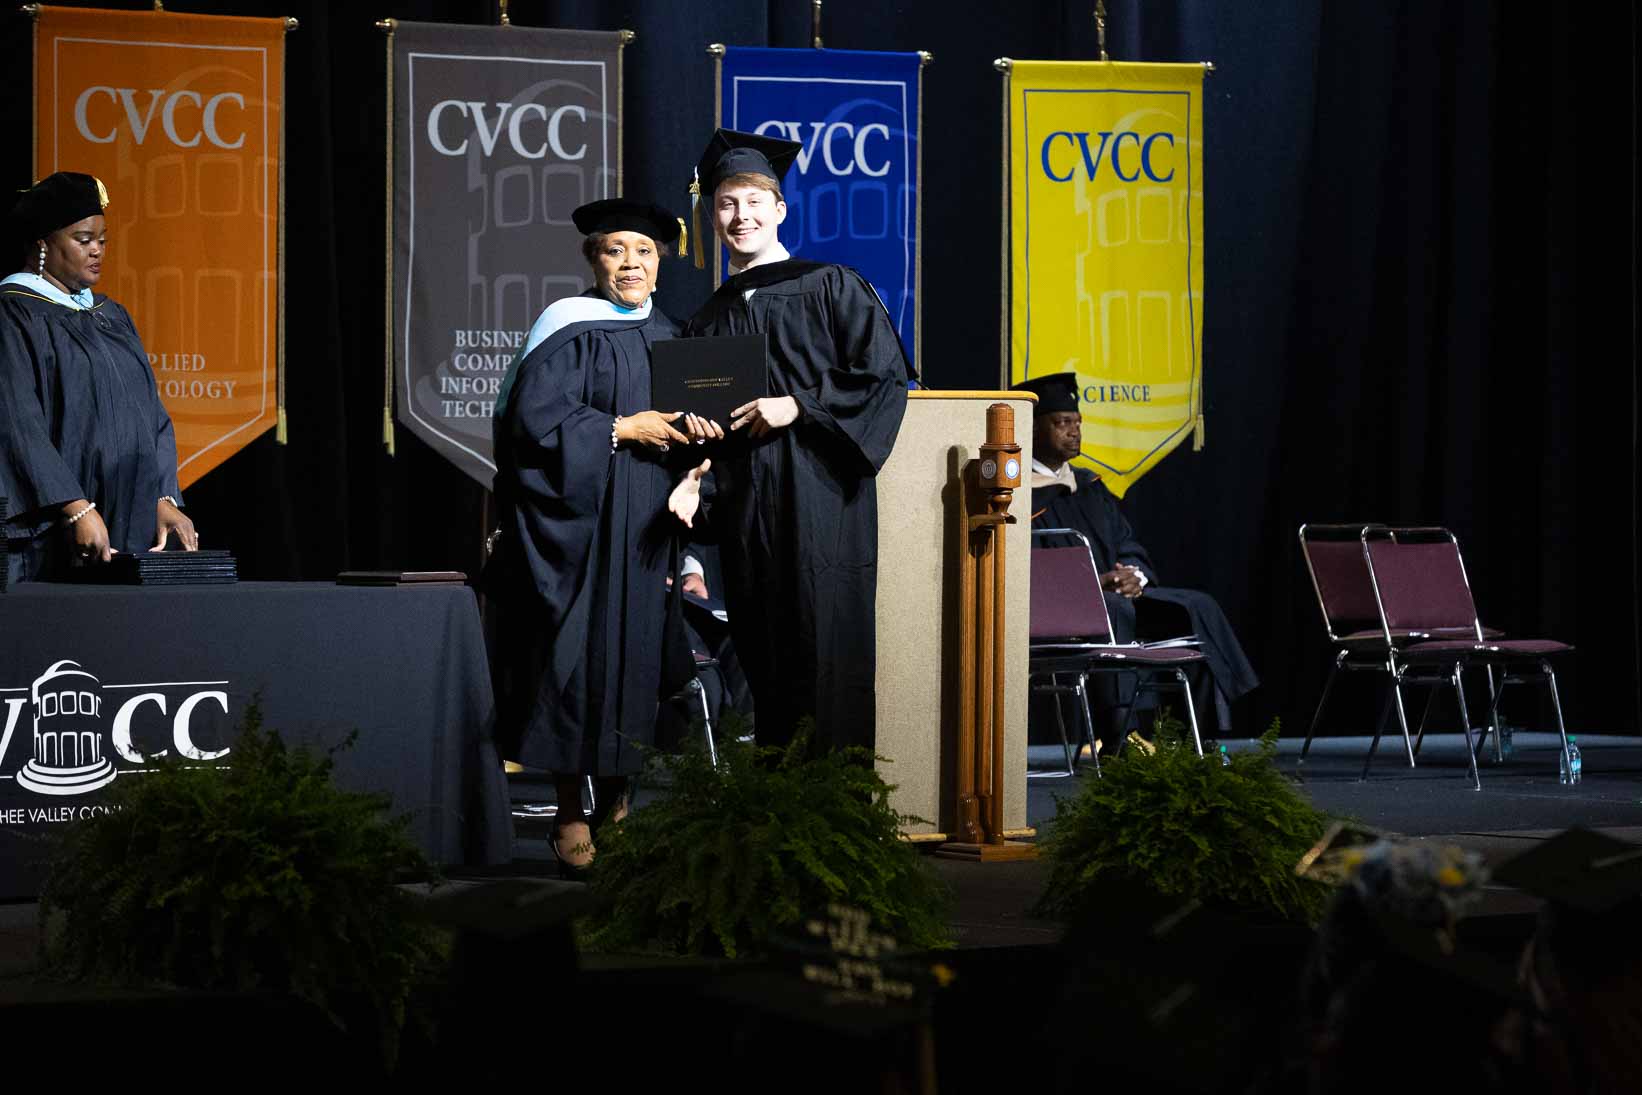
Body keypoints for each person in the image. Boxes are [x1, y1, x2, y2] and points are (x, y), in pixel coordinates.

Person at [668, 129, 910, 754]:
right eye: (726, 204)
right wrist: (694, 471)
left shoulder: (832, 285)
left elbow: (882, 377)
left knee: (825, 647)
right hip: (748, 508)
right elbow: (701, 424)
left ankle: (833, 802)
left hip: (820, 499)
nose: (740, 216)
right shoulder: (707, 318)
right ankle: (777, 799)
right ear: (712, 217)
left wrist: (798, 405)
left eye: (753, 201)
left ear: (780, 209)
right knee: (763, 650)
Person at [487, 197, 708, 876]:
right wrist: (621, 427)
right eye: (616, 251)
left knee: (637, 666)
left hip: (645, 531)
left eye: (644, 252)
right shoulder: (567, 327)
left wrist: (698, 463)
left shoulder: (674, 337)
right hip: (578, 530)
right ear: (594, 260)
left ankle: (619, 804)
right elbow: (530, 424)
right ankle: (567, 812)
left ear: (661, 263)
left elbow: (697, 435)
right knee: (573, 665)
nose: (631, 264)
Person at [1014, 372, 1257, 737]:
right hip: (1062, 612)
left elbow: (1127, 542)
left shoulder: (1089, 486)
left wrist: (1134, 574)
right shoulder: (1017, 494)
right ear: (1033, 429)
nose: (1074, 432)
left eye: (1077, 423)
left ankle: (1196, 737)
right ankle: (1124, 736)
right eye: (1062, 423)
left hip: (1115, 602)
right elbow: (1026, 568)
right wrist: (1095, 585)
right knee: (1116, 609)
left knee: (1194, 607)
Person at [1, 172, 196, 585]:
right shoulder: (16, 313)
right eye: (83, 239)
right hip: (53, 533)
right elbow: (17, 423)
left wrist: (162, 496)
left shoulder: (111, 315)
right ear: (43, 244)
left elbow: (151, 416)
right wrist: (76, 507)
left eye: (102, 241)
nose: (97, 251)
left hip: (128, 522)